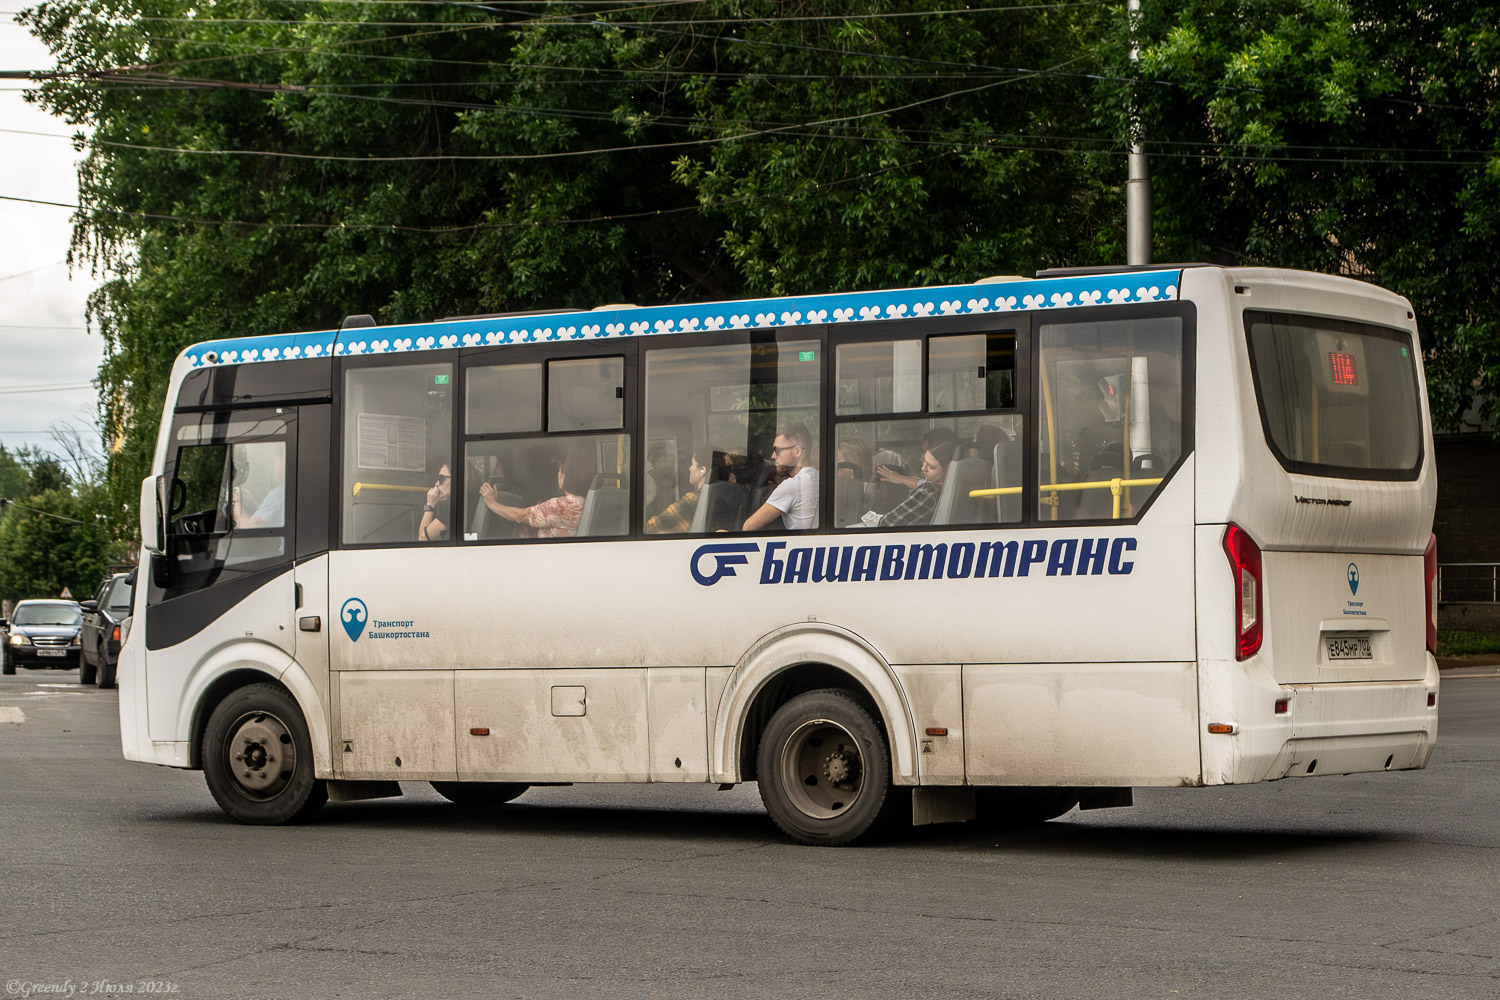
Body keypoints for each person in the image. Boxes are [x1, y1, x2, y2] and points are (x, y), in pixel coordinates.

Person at [479, 448, 592, 538]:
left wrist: (492, 503)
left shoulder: (558, 506)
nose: (558, 474)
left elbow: (519, 516)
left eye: (560, 470)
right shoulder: (584, 502)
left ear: (565, 476)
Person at [743, 422, 818, 531]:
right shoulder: (820, 478)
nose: (773, 456)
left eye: (777, 450)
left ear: (797, 451)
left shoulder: (793, 485)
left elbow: (748, 527)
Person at [869, 438, 957, 528]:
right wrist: (901, 478)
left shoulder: (927, 494)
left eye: (931, 467)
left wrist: (868, 516)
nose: (923, 468)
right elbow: (925, 484)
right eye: (924, 461)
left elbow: (885, 523)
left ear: (948, 471)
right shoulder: (955, 488)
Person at [646, 446, 710, 534]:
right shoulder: (716, 495)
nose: (689, 468)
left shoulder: (693, 499)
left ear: (703, 470)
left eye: (692, 464)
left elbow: (654, 524)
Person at [876, 427, 959, 492]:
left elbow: (930, 487)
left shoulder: (937, 491)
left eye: (931, 466)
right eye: (924, 452)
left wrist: (901, 478)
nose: (923, 467)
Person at [231, 448, 286, 529]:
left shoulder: (279, 494)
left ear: (282, 463)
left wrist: (236, 500)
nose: (272, 466)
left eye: (274, 462)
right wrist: (253, 502)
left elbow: (249, 526)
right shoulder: (286, 493)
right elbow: (274, 514)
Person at [418, 459, 452, 541]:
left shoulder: (452, 506)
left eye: (441, 478)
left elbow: (423, 538)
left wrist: (430, 504)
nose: (437, 483)